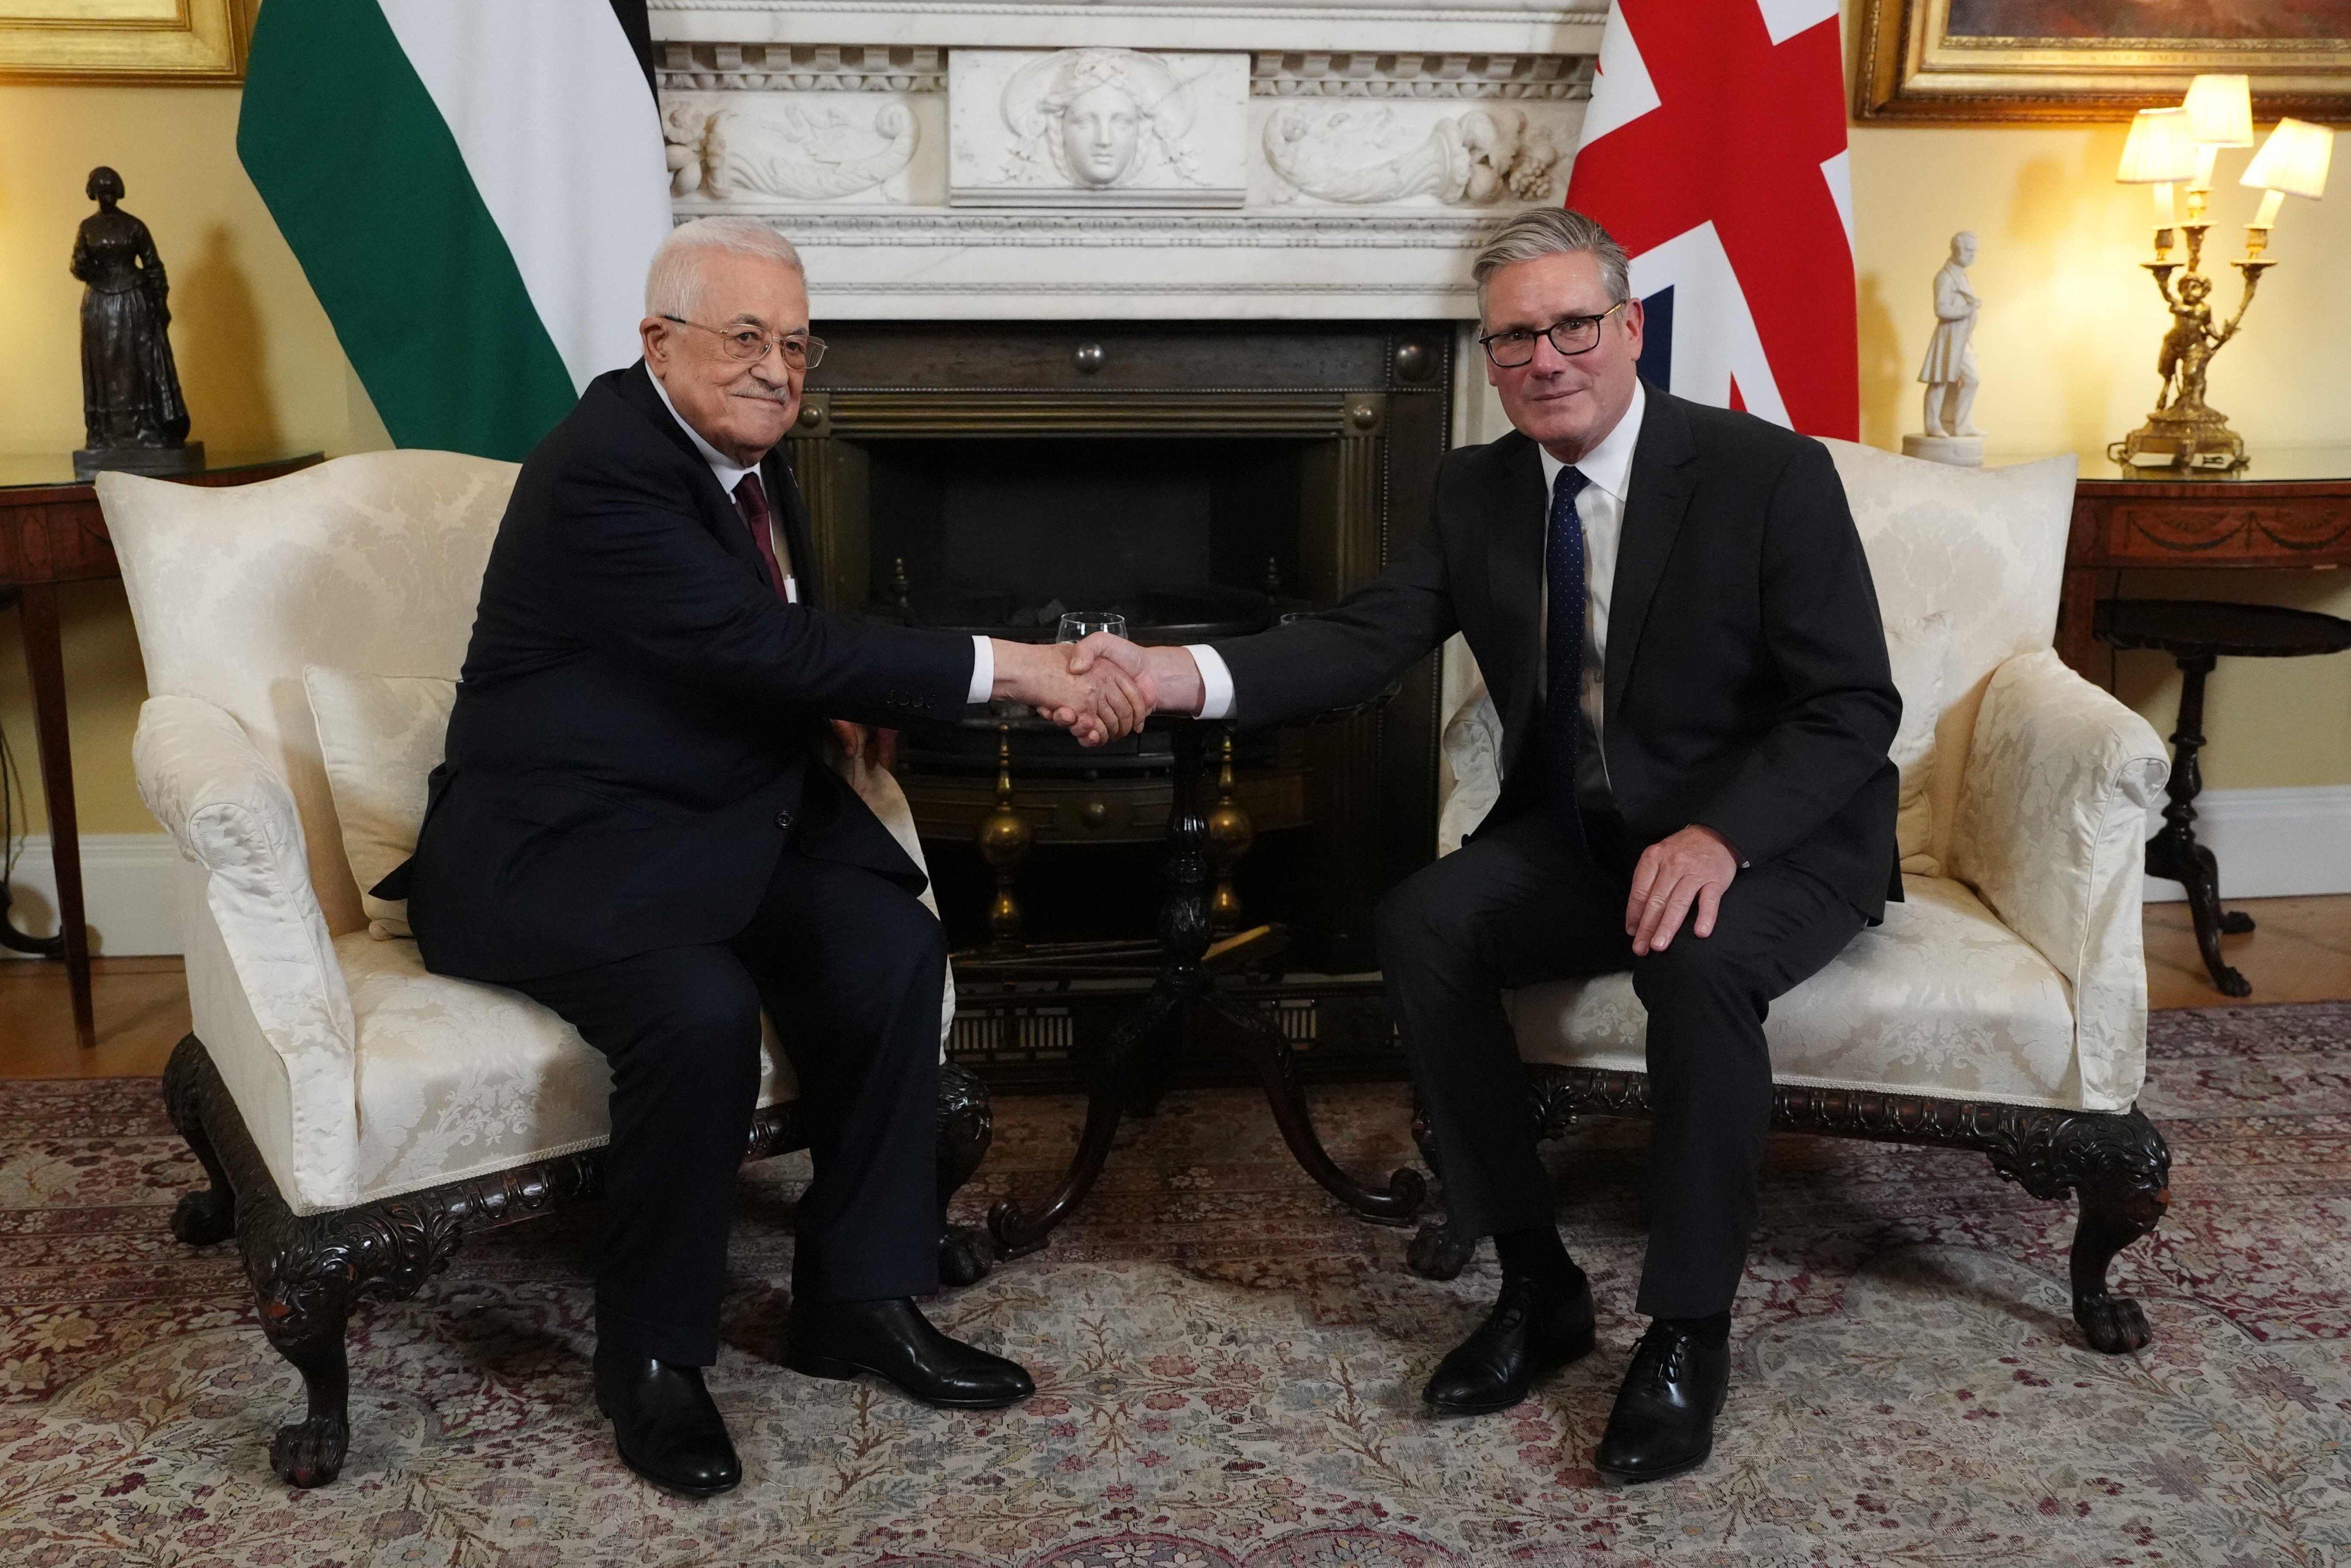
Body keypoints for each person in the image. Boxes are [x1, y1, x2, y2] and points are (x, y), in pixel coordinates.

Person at [1079, 208, 1899, 1484]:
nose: (1544, 357)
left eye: (1573, 324)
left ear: (1630, 329)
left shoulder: (1763, 474)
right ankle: (1534, 1281)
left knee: (1693, 960)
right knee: (1424, 919)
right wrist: (1171, 674)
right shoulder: (1477, 486)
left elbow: (1850, 706)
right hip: (1583, 834)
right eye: (1513, 336)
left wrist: (1716, 835)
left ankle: (1686, 1331)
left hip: (1778, 839)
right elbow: (1357, 640)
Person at [385, 218, 1145, 1497]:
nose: (777, 370)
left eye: (796, 345)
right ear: (656, 341)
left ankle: (855, 1297)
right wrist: (1016, 669)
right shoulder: (605, 468)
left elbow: (769, 644)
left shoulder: (737, 459)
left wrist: (836, 698)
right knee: (695, 1009)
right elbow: (761, 645)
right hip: (549, 848)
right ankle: (654, 1362)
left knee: (888, 945)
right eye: (745, 337)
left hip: (712, 821)